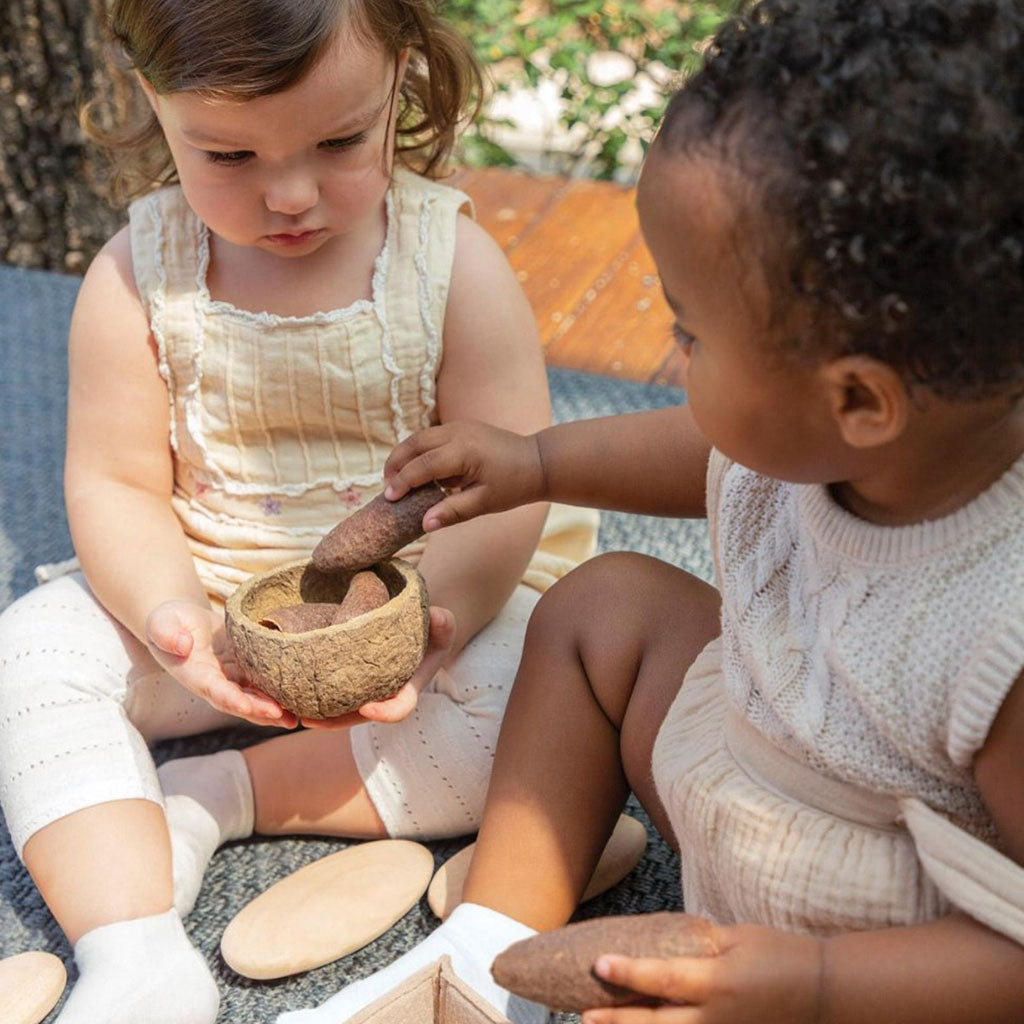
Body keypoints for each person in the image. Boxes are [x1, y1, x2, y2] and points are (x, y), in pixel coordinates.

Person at [277, 1, 1024, 1021]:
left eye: (689, 333)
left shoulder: (1003, 636)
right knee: (601, 605)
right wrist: (537, 461)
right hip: (751, 768)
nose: (674, 361)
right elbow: (709, 450)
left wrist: (811, 986)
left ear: (855, 399)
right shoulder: (824, 434)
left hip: (864, 956)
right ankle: (490, 944)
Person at [0, 1, 600, 1022]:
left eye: (337, 141)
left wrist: (425, 622)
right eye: (227, 153)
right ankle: (131, 944)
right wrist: (170, 614)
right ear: (154, 102)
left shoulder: (453, 269)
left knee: (550, 709)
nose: (289, 193)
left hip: (424, 618)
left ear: (401, 80)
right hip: (211, 600)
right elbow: (113, 485)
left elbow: (509, 489)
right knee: (24, 657)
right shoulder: (135, 277)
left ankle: (222, 797)